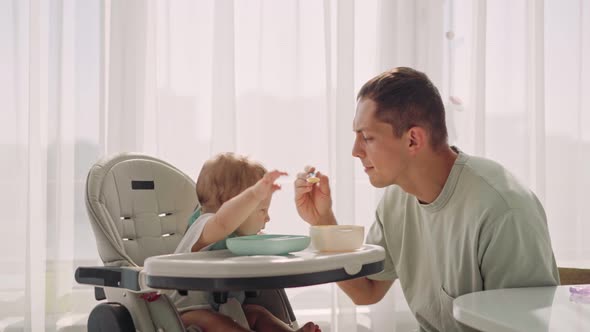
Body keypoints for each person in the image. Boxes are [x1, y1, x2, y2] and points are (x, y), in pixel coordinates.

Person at [294, 67, 559, 331]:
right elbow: (367, 290)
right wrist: (323, 222)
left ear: (413, 140)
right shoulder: (397, 200)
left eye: (367, 137)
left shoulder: (502, 209)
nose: (355, 151)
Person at [174, 152, 321, 332]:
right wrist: (253, 194)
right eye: (262, 210)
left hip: (227, 309)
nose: (267, 218)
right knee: (214, 321)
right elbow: (223, 222)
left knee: (256, 313)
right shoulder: (205, 225)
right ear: (236, 207)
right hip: (184, 315)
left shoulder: (239, 239)